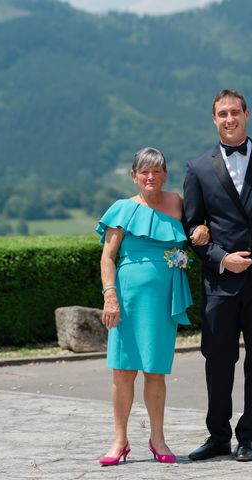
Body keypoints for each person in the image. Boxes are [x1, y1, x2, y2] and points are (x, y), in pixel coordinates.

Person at [182, 89, 252, 462]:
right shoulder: (197, 168)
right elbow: (192, 228)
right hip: (221, 283)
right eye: (222, 114)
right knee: (217, 361)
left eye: (235, 112)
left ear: (247, 114)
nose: (229, 119)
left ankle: (249, 437)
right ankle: (217, 436)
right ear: (214, 120)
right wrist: (221, 258)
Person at [96, 147, 209, 466]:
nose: (150, 176)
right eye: (144, 171)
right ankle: (119, 440)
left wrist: (203, 229)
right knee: (123, 371)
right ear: (133, 176)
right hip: (127, 299)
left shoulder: (177, 203)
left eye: (156, 170)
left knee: (156, 371)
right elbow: (107, 257)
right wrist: (110, 296)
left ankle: (157, 438)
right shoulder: (121, 209)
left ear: (165, 175)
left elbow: (197, 227)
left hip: (163, 299)